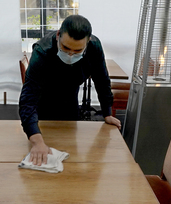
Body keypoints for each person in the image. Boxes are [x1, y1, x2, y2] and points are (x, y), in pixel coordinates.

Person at [19, 15, 121, 165]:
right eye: (66, 48)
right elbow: (28, 98)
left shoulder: (94, 47)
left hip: (71, 100)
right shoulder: (42, 52)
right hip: (43, 102)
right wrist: (36, 140)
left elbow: (102, 80)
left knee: (71, 154)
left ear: (88, 43)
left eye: (78, 50)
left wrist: (107, 112)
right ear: (58, 35)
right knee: (42, 157)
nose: (70, 54)